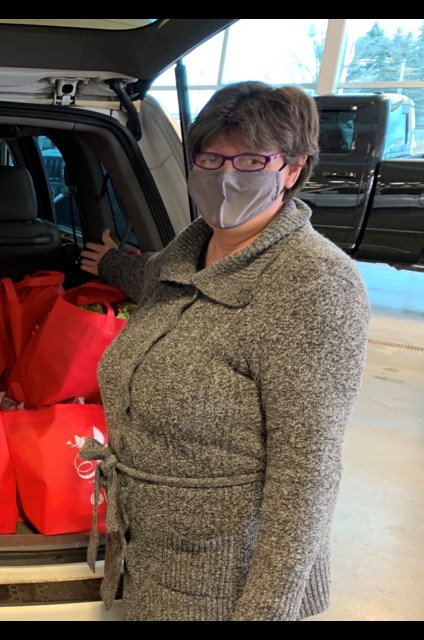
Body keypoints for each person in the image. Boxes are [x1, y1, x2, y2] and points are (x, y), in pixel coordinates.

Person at [77, 81, 370, 621]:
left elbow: (306, 473)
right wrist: (112, 264)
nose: (226, 176)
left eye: (252, 159)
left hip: (221, 585)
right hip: (146, 561)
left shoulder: (313, 284)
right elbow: (164, 290)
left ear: (293, 169)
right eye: (211, 157)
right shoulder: (186, 255)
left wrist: (264, 612)